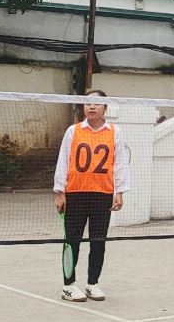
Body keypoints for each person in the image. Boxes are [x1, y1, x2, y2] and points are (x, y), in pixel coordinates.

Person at [52, 90, 130, 302]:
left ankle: (92, 284)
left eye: (96, 103)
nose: (91, 107)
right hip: (75, 194)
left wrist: (120, 192)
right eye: (88, 103)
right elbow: (63, 161)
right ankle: (68, 285)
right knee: (72, 241)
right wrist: (60, 192)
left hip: (102, 194)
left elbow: (120, 163)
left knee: (98, 241)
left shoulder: (114, 132)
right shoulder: (73, 131)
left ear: (105, 108)